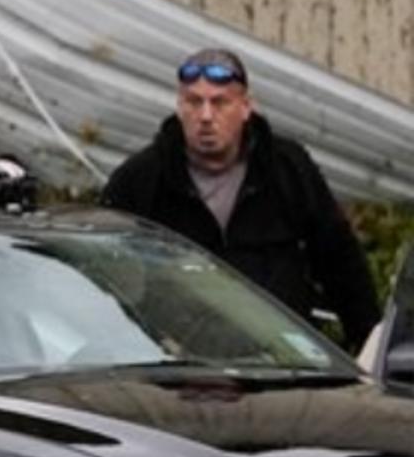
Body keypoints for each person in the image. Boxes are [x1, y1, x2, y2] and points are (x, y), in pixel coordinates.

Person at [101, 48, 380, 348]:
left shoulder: (285, 168)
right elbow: (98, 271)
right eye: (194, 102)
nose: (206, 116)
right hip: (180, 369)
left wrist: (369, 347)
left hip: (280, 362)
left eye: (220, 102)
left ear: (246, 107)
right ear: (179, 107)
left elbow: (340, 262)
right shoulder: (142, 179)